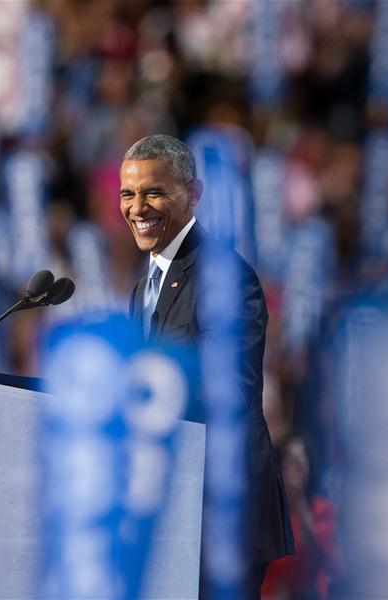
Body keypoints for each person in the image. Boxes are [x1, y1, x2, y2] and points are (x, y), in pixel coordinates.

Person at [120, 134, 294, 597]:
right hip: (175, 508)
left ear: (193, 193)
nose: (137, 207)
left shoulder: (224, 276)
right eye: (127, 193)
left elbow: (231, 390)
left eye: (153, 192)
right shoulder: (143, 286)